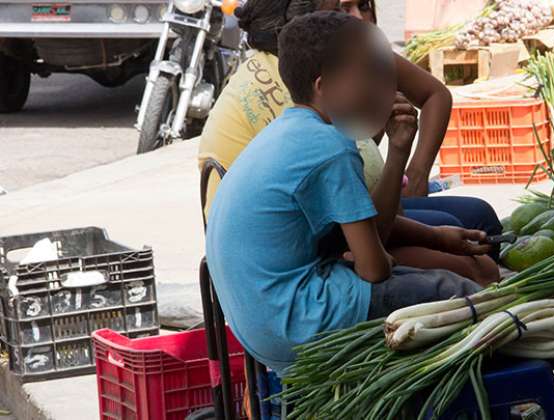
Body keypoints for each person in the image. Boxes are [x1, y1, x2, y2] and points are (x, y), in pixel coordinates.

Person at [206, 11, 482, 375]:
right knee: (459, 292)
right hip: (295, 322)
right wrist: (384, 261)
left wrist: (431, 231)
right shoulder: (330, 146)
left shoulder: (290, 130)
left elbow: (358, 235)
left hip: (261, 325)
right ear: (324, 86)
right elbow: (373, 270)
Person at [199, 0, 500, 283]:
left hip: (308, 242)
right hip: (295, 265)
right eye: (340, 9)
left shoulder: (309, 81)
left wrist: (429, 218)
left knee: (470, 225)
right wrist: (398, 155)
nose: (355, 19)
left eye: (362, 6)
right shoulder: (324, 136)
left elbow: (366, 216)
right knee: (474, 268)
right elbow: (373, 260)